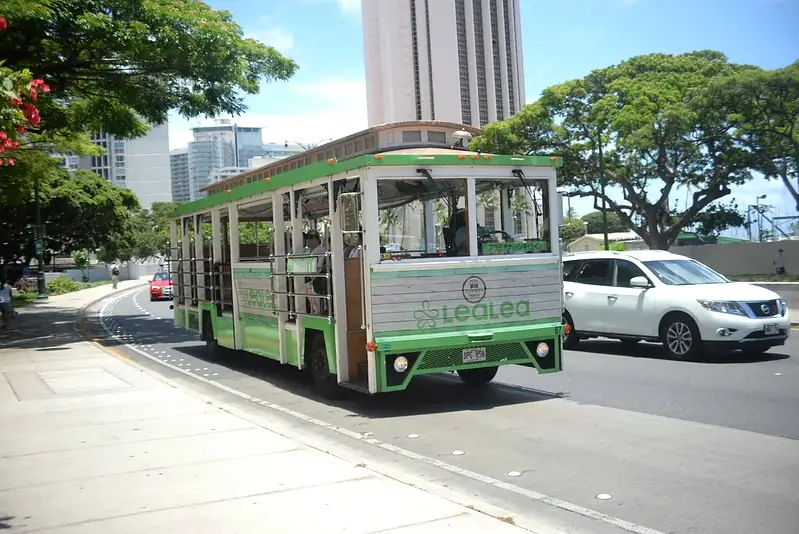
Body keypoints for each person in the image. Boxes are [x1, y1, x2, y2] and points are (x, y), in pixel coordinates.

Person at [304, 230, 328, 314]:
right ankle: (314, 310)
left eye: (311, 237)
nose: (308, 240)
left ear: (317, 239)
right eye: (307, 238)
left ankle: (319, 311)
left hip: (318, 277)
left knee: (315, 291)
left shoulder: (321, 249)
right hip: (309, 277)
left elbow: (319, 266)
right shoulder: (308, 251)